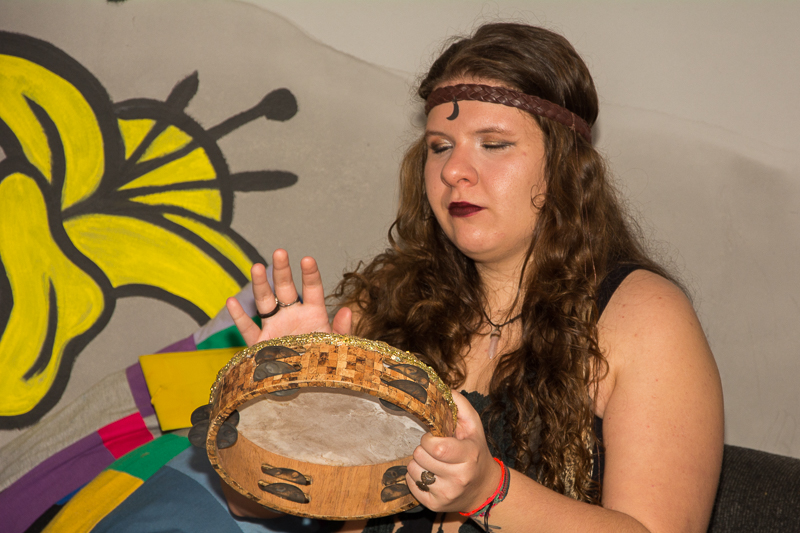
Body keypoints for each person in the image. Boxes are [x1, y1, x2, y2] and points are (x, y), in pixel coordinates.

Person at [225, 22, 724, 533]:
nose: (454, 171)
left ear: (566, 167)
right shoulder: (385, 303)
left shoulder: (645, 317)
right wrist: (290, 406)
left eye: (494, 144)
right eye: (440, 146)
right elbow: (249, 507)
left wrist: (489, 492)